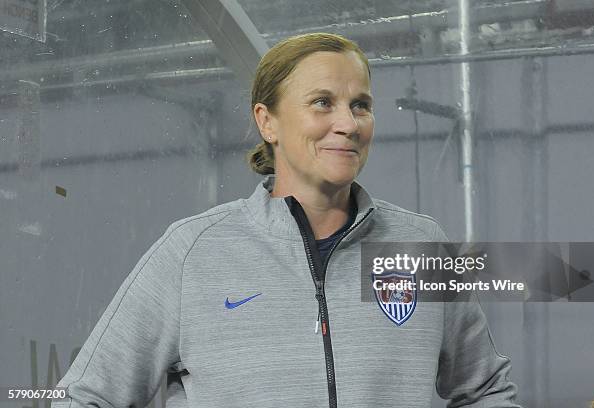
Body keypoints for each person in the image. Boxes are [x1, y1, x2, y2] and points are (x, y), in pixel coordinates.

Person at [52, 32, 520, 408]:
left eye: (361, 105)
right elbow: (85, 395)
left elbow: (487, 391)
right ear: (267, 122)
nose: (349, 123)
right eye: (322, 102)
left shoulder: (420, 244)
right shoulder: (192, 252)